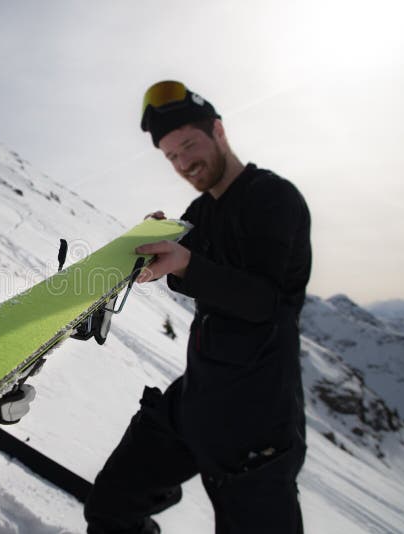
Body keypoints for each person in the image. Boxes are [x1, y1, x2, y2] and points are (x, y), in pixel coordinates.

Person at [84, 80, 311, 534]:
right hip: (196, 401)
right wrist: (155, 254)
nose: (184, 163)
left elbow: (268, 302)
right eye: (171, 156)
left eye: (189, 145)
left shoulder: (274, 198)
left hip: (257, 428)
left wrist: (188, 264)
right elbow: (192, 268)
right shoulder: (202, 211)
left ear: (218, 132)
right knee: (110, 506)